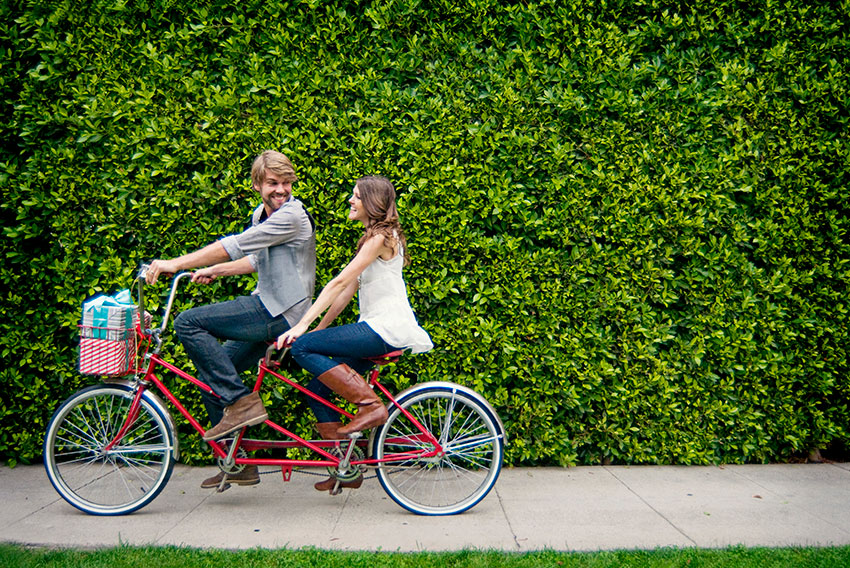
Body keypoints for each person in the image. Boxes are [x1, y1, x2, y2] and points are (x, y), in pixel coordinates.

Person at [146, 150, 316, 489]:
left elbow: (234, 245)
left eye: (286, 183)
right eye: (272, 183)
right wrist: (215, 270)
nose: (281, 190)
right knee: (215, 374)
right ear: (257, 185)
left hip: (281, 312)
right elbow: (255, 259)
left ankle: (241, 403)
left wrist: (176, 263)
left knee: (188, 323)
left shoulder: (292, 217)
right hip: (266, 303)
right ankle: (238, 463)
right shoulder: (262, 216)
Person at [276, 175, 432, 493]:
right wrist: (319, 329)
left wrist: (301, 328)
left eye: (356, 196)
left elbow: (336, 282)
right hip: (377, 327)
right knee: (315, 390)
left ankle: (371, 406)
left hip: (384, 328)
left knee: (302, 348)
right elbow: (347, 290)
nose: (351, 200)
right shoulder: (373, 238)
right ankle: (344, 465)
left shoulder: (382, 237)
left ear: (372, 203)